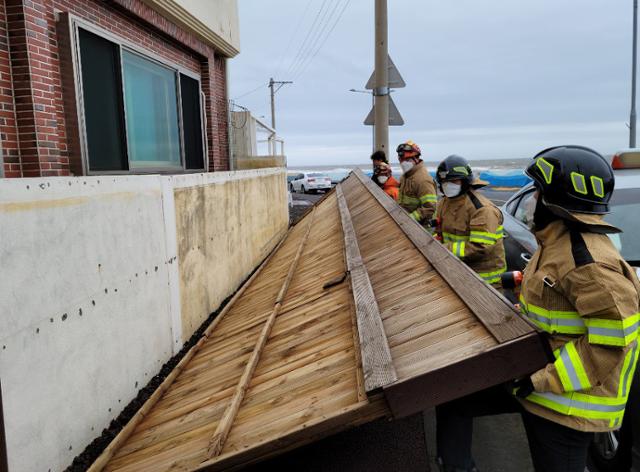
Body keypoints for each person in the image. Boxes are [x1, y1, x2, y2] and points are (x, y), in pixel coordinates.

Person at [436, 145, 640, 472]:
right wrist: (514, 284)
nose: (531, 201)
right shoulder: (557, 242)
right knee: (455, 397)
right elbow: (555, 296)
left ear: (555, 202)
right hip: (537, 381)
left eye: (538, 192)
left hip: (568, 405)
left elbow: (610, 343)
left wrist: (538, 379)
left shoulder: (588, 265)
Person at [434, 155, 506, 289]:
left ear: (465, 181)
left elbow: (480, 248)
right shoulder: (444, 203)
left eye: (454, 181)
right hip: (455, 271)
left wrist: (442, 249)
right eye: (445, 182)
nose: (449, 185)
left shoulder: (483, 209)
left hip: (484, 281)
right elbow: (439, 232)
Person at [396, 140, 437, 227]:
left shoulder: (423, 180)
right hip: (406, 225)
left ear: (416, 158)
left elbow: (429, 208)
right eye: (401, 160)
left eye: (407, 159)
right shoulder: (405, 176)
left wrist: (408, 219)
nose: (403, 163)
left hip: (421, 229)